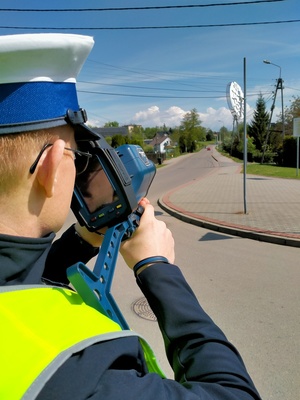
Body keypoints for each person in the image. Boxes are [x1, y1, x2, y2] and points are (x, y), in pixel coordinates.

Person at [0, 33, 261, 400]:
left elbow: (21, 284)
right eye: (78, 158)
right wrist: (157, 269)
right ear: (52, 167)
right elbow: (234, 393)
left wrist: (82, 240)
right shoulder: (87, 377)